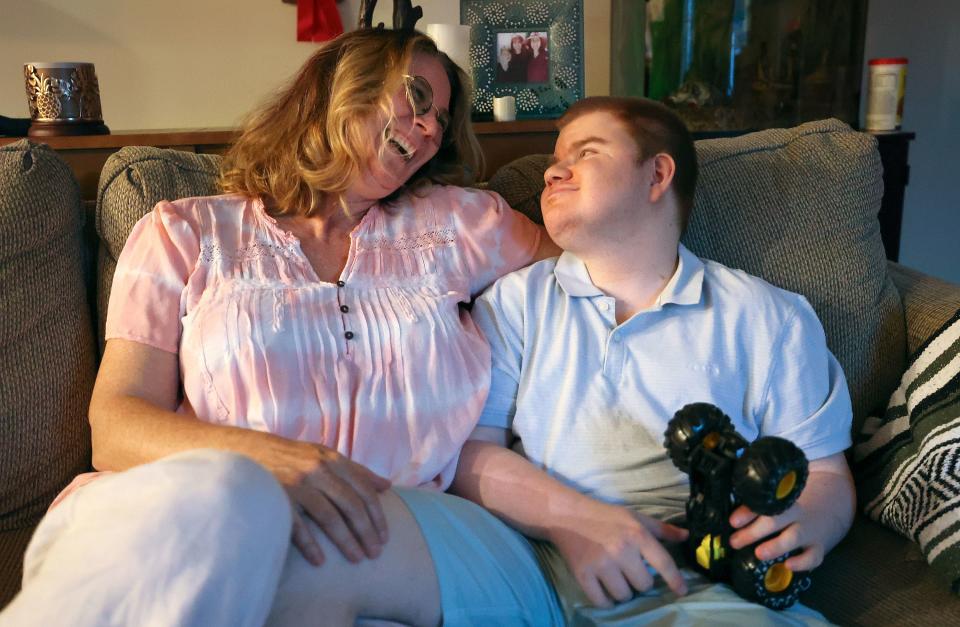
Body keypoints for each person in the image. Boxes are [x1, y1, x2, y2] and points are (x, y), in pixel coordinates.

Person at [220, 96, 854, 626]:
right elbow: (468, 453)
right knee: (320, 541)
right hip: (527, 551)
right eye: (555, 161)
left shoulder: (768, 316)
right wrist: (576, 524)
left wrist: (805, 528)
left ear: (657, 176)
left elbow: (825, 475)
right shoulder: (518, 302)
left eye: (587, 155)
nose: (555, 173)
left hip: (695, 572)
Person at [0, 28, 559, 626]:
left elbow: (602, 268)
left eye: (442, 121)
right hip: (202, 504)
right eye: (416, 96)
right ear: (337, 91)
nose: (427, 128)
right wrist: (264, 461)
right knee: (222, 512)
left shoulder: (461, 224)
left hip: (392, 534)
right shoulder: (183, 233)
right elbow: (115, 423)